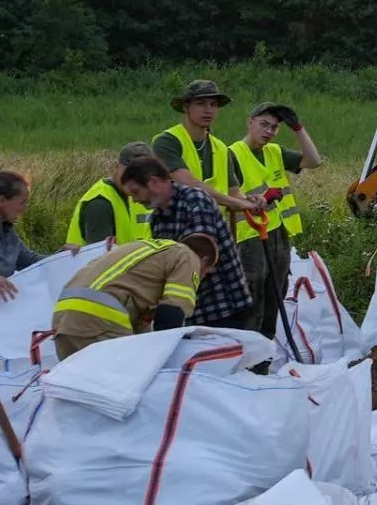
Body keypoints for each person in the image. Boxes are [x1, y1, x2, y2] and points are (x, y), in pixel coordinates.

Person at [122, 157, 256, 331]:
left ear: (154, 182)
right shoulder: (157, 219)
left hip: (224, 308)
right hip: (194, 313)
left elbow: (200, 256)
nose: (135, 200)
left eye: (136, 192)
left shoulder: (195, 200)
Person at [229, 102, 325, 340]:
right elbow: (230, 194)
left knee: (276, 291)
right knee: (254, 292)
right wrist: (257, 199)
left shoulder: (275, 152)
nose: (268, 131)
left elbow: (314, 161)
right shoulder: (232, 154)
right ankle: (248, 349)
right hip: (250, 236)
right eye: (264, 124)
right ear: (250, 123)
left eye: (274, 127)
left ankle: (264, 352)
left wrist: (298, 128)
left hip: (279, 233)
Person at [51, 235, 217, 360]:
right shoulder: (189, 257)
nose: (200, 278)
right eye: (205, 273)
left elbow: (141, 332)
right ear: (204, 260)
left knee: (81, 397)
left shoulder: (147, 253)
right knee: (123, 393)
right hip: (101, 319)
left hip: (63, 320)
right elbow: (171, 314)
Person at [154, 79, 261, 216]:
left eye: (213, 104)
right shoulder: (167, 142)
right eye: (200, 103)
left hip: (210, 230)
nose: (208, 110)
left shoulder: (221, 148)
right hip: (173, 230)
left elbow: (233, 193)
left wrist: (251, 201)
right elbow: (189, 185)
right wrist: (237, 203)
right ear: (186, 107)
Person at [66, 142, 158, 248]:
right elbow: (100, 259)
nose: (134, 179)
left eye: (141, 175)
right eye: (129, 173)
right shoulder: (100, 204)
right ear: (115, 167)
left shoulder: (136, 196)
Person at [0, 163, 40, 306]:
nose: (24, 210)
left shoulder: (8, 232)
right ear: (2, 201)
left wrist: (64, 255)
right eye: (22, 203)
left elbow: (31, 261)